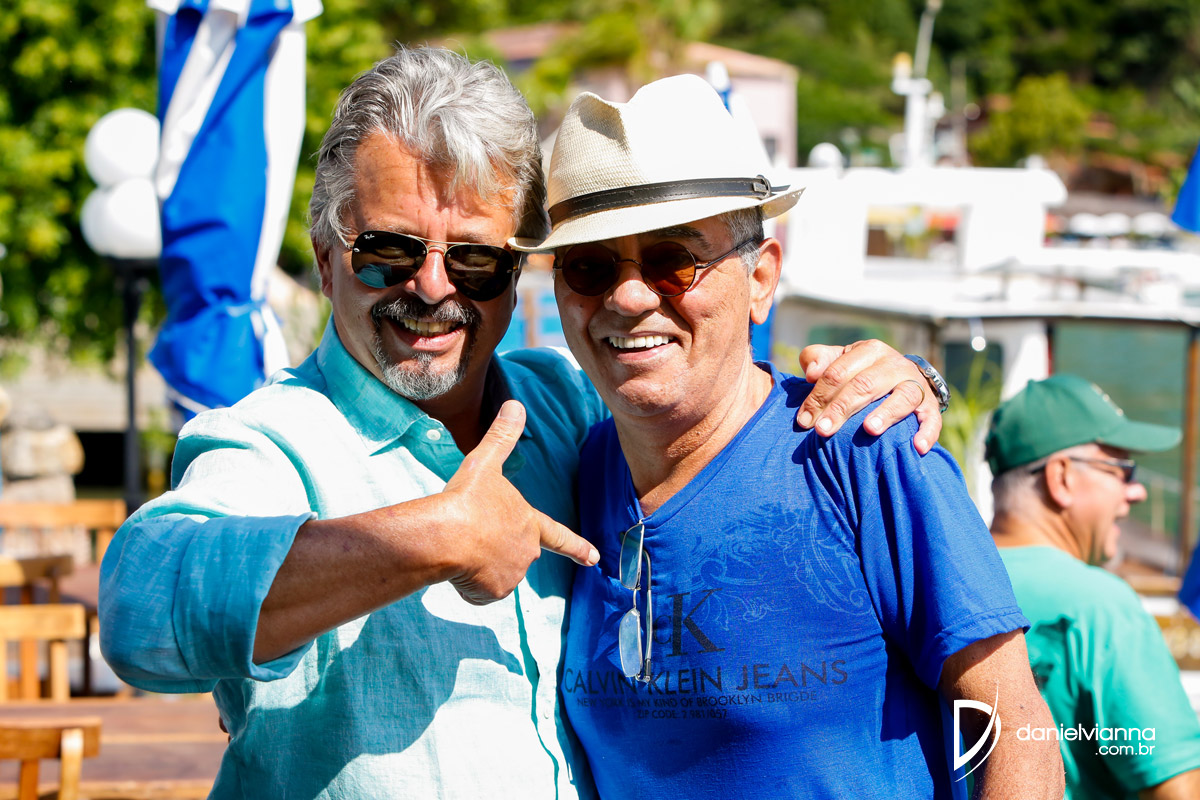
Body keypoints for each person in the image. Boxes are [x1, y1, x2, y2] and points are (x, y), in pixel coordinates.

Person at [99, 47, 942, 799]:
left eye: (476, 259)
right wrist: (432, 536)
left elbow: (710, 391)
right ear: (326, 261)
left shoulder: (564, 404)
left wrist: (897, 380)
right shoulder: (275, 440)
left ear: (517, 276)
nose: (433, 288)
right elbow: (141, 610)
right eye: (388, 253)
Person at [519, 75, 1063, 799]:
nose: (627, 296)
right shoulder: (574, 473)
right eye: (589, 266)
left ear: (761, 280)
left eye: (673, 260)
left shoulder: (862, 450)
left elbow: (1015, 723)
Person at [986, 375, 1200, 800]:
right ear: (1061, 478)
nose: (1137, 492)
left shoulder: (935, 586)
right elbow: (1180, 790)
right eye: (1123, 471)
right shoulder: (1099, 606)